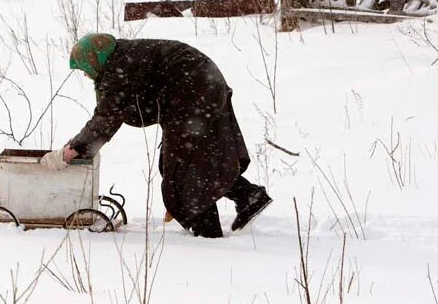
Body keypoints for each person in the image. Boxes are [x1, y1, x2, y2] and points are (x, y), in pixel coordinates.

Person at [41, 33, 271, 238]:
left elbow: (106, 119)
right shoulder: (122, 56)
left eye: (84, 68)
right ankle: (248, 196)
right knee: (192, 162)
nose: (86, 74)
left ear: (94, 60)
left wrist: (74, 148)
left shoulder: (118, 69)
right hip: (203, 85)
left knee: (184, 169)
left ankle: (207, 235)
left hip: (194, 93)